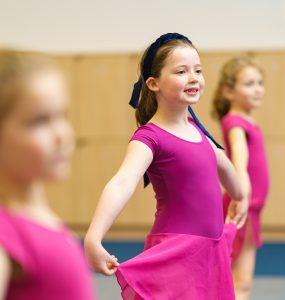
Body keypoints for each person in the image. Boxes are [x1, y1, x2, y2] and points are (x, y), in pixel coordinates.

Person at [85, 33, 248, 299]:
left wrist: (239, 195)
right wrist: (94, 236)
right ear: (153, 83)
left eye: (198, 70)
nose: (193, 77)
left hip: (210, 252)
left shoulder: (196, 130)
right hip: (177, 252)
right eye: (181, 71)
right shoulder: (150, 137)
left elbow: (222, 164)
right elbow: (122, 182)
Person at [0, 50, 96, 300]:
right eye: (40, 121)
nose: (62, 134)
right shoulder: (7, 232)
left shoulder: (39, 219)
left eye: (63, 116)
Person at [212, 56, 270, 300]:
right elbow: (240, 159)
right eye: (249, 84)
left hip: (250, 208)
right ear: (229, 91)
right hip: (242, 206)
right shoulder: (235, 123)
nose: (257, 89)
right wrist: (242, 195)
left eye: (259, 82)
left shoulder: (247, 120)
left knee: (241, 278)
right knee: (239, 279)